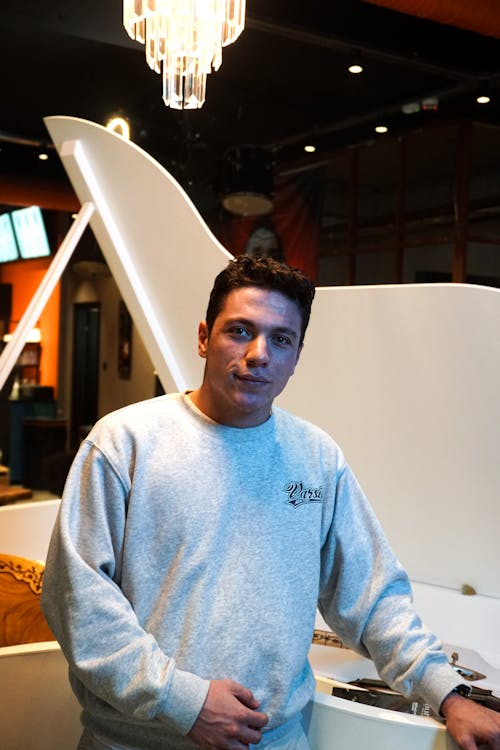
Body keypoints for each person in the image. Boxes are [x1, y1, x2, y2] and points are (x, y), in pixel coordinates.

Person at [41, 256, 500, 750]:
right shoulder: (124, 442)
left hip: (275, 742)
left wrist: (448, 694)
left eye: (281, 339)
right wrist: (183, 700)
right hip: (134, 742)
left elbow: (373, 600)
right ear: (203, 338)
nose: (259, 353)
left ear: (296, 355)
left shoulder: (318, 460)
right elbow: (78, 601)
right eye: (240, 331)